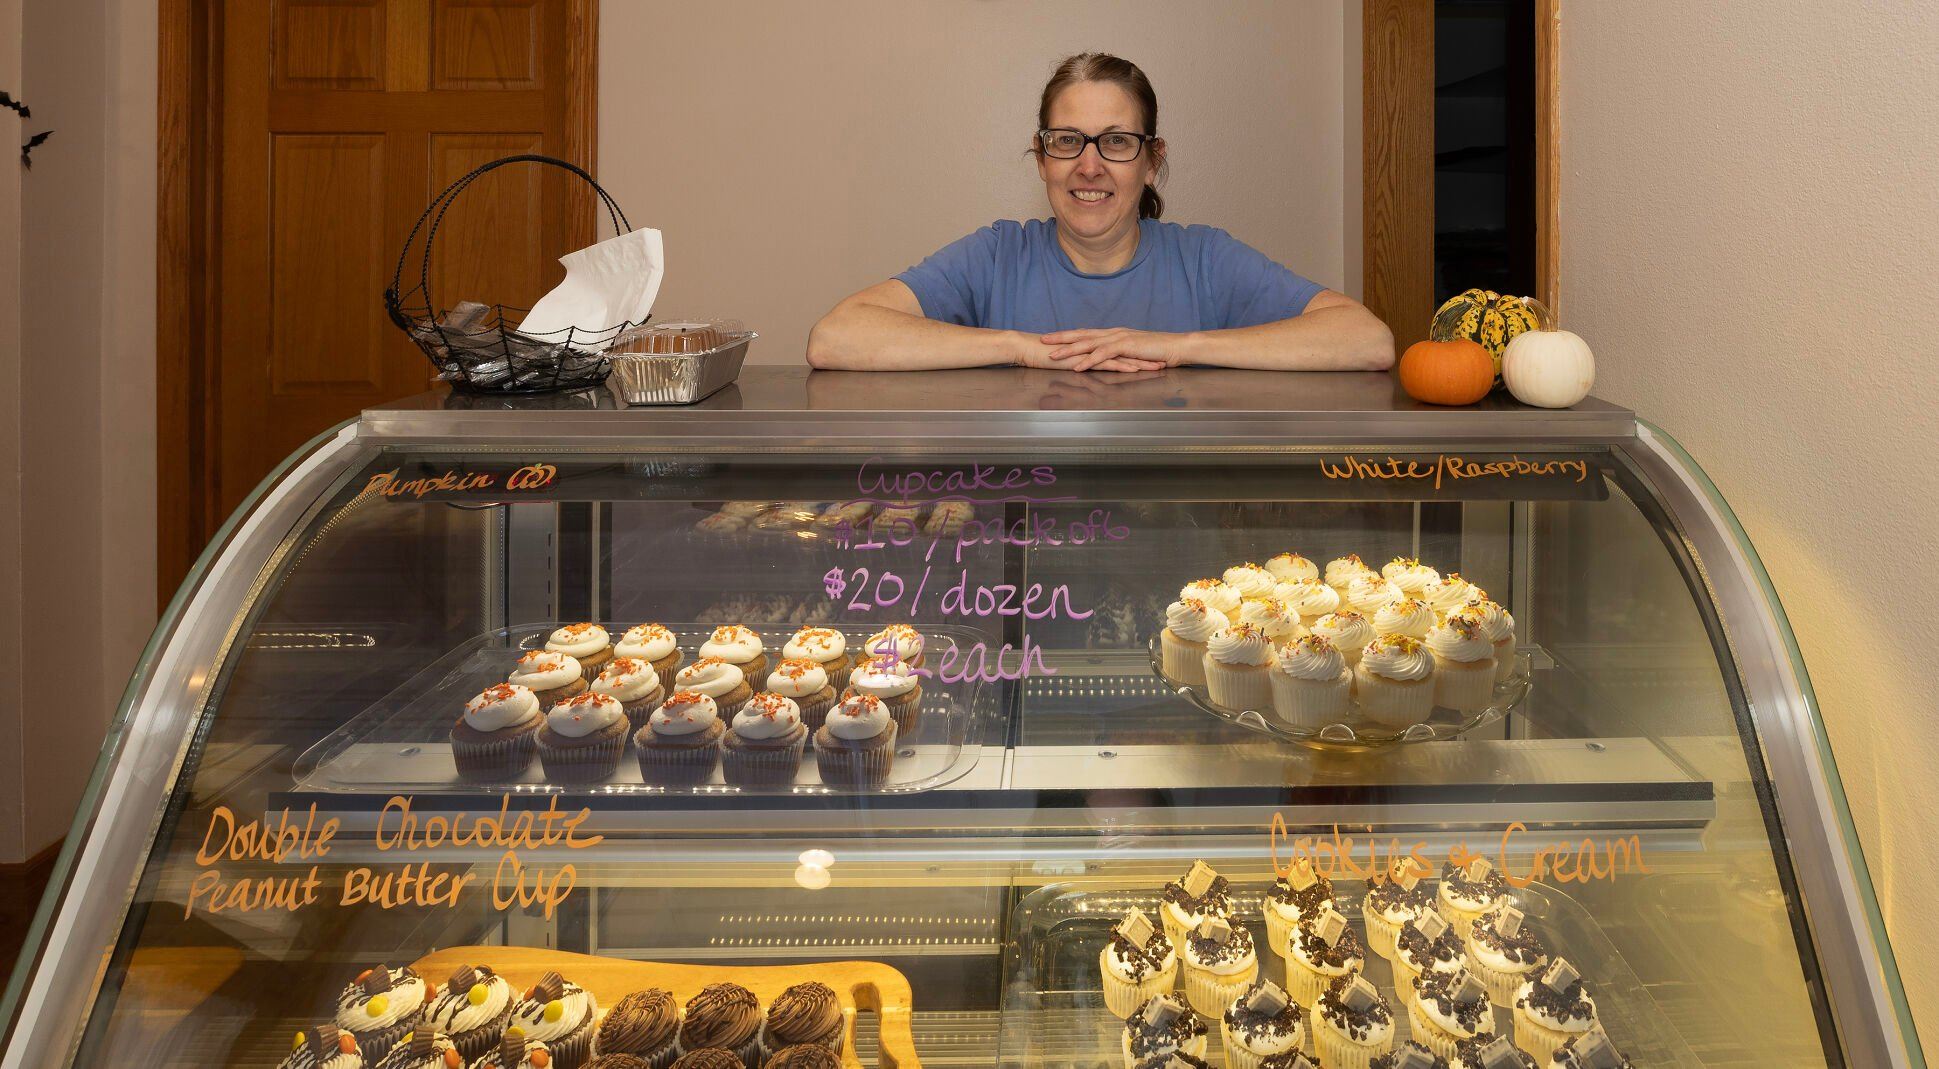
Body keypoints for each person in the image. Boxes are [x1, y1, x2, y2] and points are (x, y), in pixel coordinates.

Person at [807, 52, 1394, 374]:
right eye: (1067, 140)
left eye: (1116, 141)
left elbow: (1367, 341)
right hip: (1023, 542)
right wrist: (1021, 347)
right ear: (1042, 159)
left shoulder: (1204, 258)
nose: (1089, 166)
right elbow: (835, 339)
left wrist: (1177, 346)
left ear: (1151, 161)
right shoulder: (997, 254)